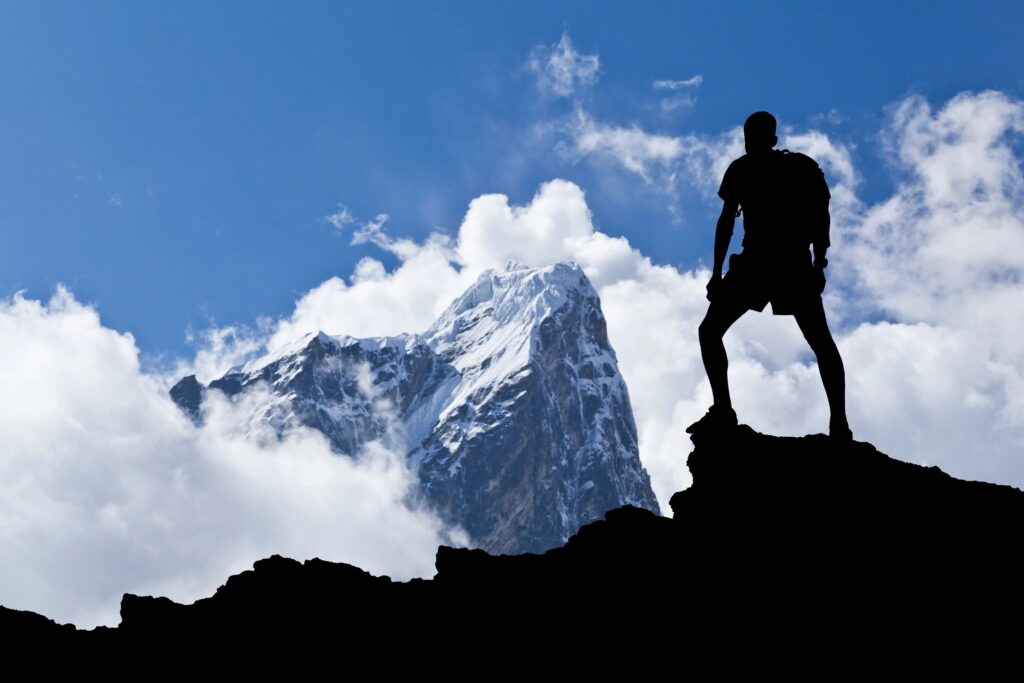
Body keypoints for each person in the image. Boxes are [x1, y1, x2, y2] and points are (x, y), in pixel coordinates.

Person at [687, 111, 853, 440]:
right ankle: (839, 424)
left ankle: (724, 410)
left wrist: (717, 274)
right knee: (821, 343)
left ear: (762, 139)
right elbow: (821, 218)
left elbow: (726, 222)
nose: (751, 146)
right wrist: (819, 263)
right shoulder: (800, 167)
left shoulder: (744, 169)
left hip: (762, 264)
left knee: (710, 331)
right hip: (786, 265)